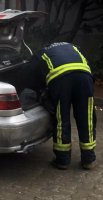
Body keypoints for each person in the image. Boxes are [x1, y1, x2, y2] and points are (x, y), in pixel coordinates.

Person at [18, 42, 96, 170]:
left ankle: (63, 160)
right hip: (84, 78)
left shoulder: (41, 53)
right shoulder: (73, 47)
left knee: (61, 118)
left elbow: (28, 75)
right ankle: (88, 159)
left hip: (61, 81)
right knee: (87, 118)